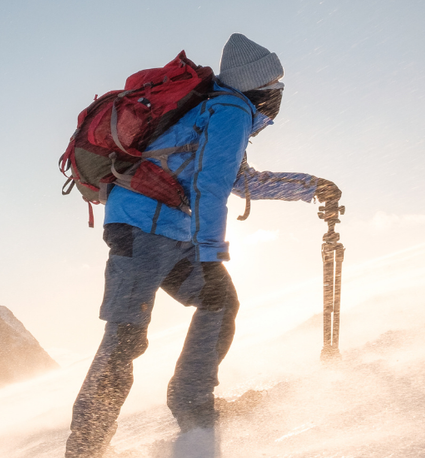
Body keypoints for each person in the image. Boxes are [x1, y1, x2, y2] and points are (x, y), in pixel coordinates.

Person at [65, 33, 341, 457]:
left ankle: (191, 399)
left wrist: (310, 187)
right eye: (275, 84)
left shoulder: (220, 110)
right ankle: (85, 446)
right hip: (144, 228)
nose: (279, 92)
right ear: (256, 84)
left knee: (218, 303)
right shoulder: (231, 110)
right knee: (125, 336)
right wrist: (212, 256)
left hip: (165, 229)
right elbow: (211, 187)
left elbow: (238, 179)